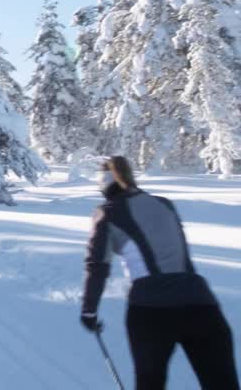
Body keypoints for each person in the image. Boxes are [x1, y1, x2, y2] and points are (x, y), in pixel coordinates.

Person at [80, 155, 239, 390]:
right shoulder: (164, 204)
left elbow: (97, 266)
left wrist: (89, 310)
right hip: (202, 305)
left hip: (150, 311)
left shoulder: (108, 213)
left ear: (103, 184)